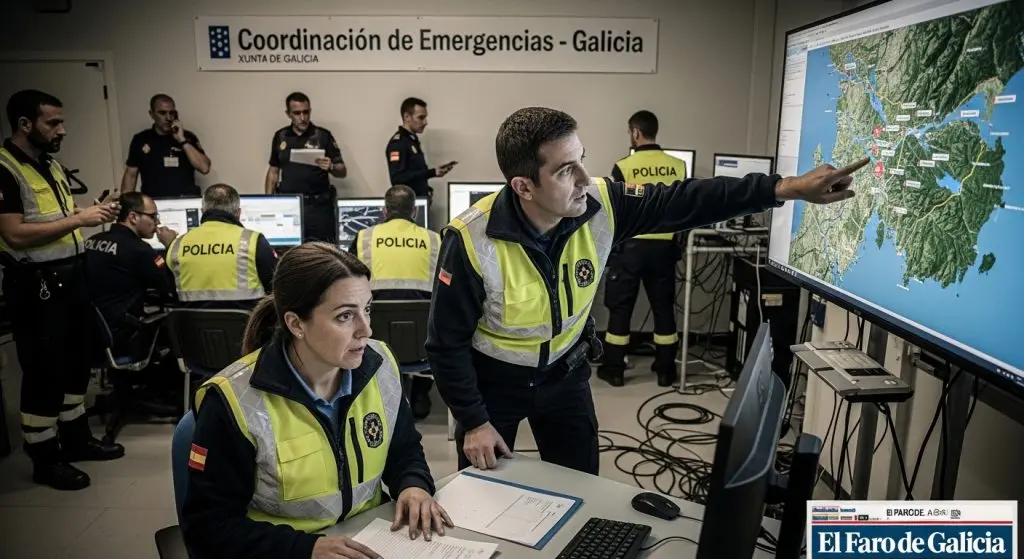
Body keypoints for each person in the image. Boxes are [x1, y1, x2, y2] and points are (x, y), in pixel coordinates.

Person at [426, 106, 869, 474]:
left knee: (583, 490)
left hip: (566, 378)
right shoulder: (469, 241)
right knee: (482, 501)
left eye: (583, 159)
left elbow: (686, 198)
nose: (585, 178)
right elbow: (445, 345)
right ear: (523, 186)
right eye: (566, 170)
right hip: (493, 386)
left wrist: (783, 188)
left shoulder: (600, 204)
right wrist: (475, 420)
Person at [182, 242, 452, 559]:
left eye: (367, 309)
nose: (366, 329)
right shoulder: (233, 401)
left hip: (372, 539)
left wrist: (413, 485)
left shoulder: (380, 364)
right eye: (345, 316)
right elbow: (208, 528)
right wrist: (305, 548)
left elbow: (402, 449)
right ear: (296, 323)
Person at [0, 89, 125, 491]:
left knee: (76, 365)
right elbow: (15, 234)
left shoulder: (48, 165)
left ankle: (77, 440)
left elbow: (53, 217)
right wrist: (80, 220)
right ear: (24, 124)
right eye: (53, 122)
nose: (62, 130)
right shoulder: (4, 168)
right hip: (36, 286)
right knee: (44, 374)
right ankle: (45, 457)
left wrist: (88, 212)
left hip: (71, 279)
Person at [600, 110, 689, 387]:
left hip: (632, 248)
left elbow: (615, 209)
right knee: (663, 308)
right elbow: (684, 208)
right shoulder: (678, 166)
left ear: (635, 132)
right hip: (664, 249)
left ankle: (614, 369)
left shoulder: (623, 166)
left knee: (620, 308)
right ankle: (665, 371)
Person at [350, 185, 441, 420]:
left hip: (375, 342)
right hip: (423, 346)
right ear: (415, 212)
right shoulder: (435, 240)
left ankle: (384, 395)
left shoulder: (363, 239)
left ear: (384, 211)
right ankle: (421, 395)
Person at [84, 191, 178, 359]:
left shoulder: (92, 240)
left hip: (91, 333)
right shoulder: (140, 250)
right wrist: (171, 245)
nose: (157, 222)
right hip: (123, 337)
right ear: (133, 217)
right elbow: (171, 290)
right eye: (153, 216)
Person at [165, 183, 276, 310]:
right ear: (238, 213)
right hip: (246, 327)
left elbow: (170, 293)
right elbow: (274, 287)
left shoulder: (176, 245)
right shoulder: (253, 241)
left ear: (202, 212)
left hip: (192, 328)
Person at [265, 92, 346, 244]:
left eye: (306, 112)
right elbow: (273, 171)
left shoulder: (323, 136)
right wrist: (270, 203)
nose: (302, 117)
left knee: (322, 253)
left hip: (318, 207)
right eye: (297, 113)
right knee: (290, 252)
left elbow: (342, 171)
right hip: (290, 207)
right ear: (288, 114)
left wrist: (331, 166)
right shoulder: (281, 137)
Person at [121, 94, 211, 197]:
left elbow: (204, 168)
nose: (168, 118)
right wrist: (125, 205)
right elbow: (131, 175)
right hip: (153, 203)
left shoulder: (188, 137)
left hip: (186, 199)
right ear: (151, 114)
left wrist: (182, 140)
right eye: (162, 113)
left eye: (171, 113)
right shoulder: (141, 139)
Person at [385, 97, 456, 206]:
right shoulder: (398, 143)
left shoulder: (412, 140)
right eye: (421, 117)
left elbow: (415, 174)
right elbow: (397, 178)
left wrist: (432, 173)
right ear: (407, 117)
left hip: (419, 202)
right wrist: (430, 172)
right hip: (407, 206)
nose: (425, 122)